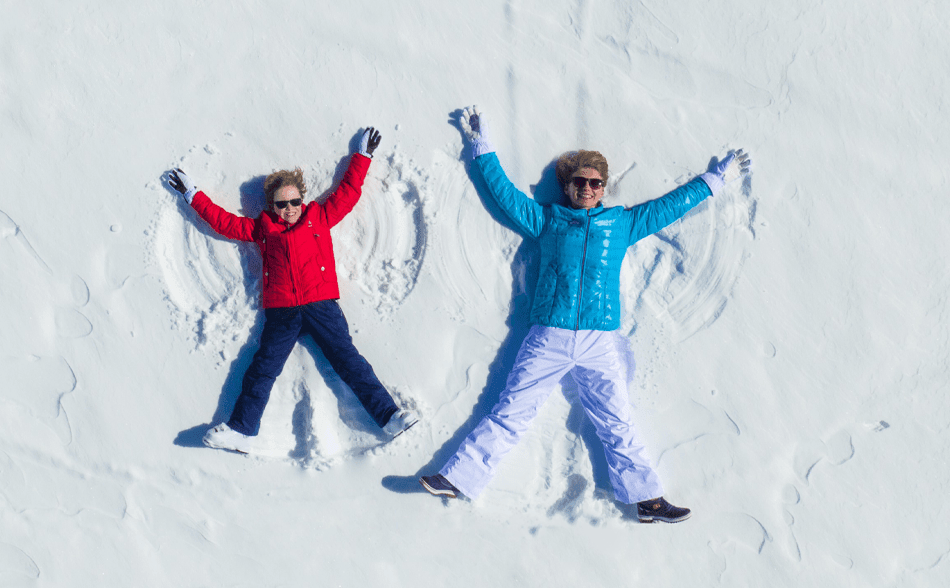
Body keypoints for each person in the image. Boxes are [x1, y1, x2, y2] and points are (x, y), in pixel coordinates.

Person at [419, 107, 750, 523]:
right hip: (549, 334)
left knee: (617, 420)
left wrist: (713, 181)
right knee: (512, 411)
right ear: (568, 186)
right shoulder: (548, 220)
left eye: (595, 182)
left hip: (599, 339)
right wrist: (482, 147)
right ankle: (460, 478)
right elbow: (504, 195)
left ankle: (647, 500)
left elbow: (668, 208)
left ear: (603, 187)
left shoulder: (621, 223)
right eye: (580, 181)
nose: (588, 188)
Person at [167, 127, 419, 454]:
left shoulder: (319, 217)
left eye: (294, 202)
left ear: (303, 198)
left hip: (321, 305)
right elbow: (225, 222)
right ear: (271, 205)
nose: (289, 209)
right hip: (283, 310)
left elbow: (348, 192)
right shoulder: (263, 229)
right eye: (281, 204)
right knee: (263, 368)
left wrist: (363, 157)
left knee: (349, 362)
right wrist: (192, 194)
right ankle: (241, 430)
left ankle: (390, 417)